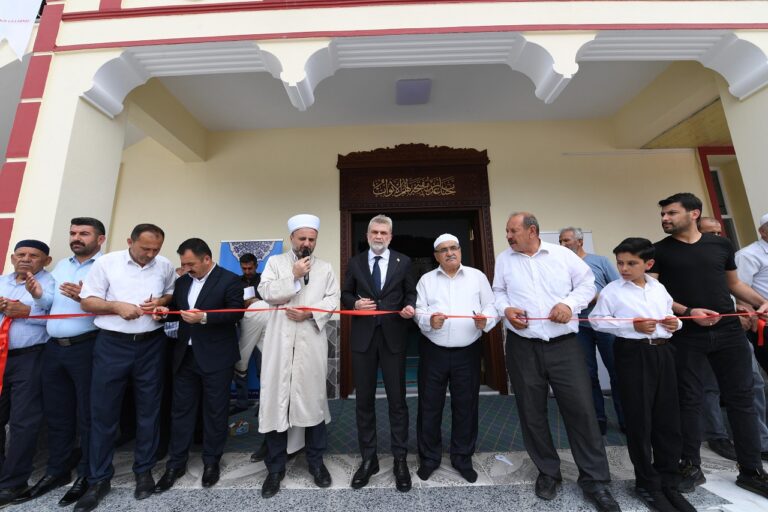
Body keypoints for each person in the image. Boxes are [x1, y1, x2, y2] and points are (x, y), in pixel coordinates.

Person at [493, 212, 619, 512]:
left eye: (513, 231)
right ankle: (548, 472)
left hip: (564, 346)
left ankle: (595, 480)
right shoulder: (504, 258)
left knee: (581, 410)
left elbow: (588, 286)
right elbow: (498, 293)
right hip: (523, 347)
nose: (508, 236)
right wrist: (506, 309)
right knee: (531, 412)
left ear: (532, 230)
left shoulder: (563, 255)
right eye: (507, 232)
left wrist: (569, 304)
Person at [650, 192, 768, 497]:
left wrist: (760, 301)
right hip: (687, 333)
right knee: (689, 401)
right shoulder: (658, 251)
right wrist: (689, 312)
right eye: (663, 214)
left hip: (729, 332)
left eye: (671, 213)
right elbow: (653, 294)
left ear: (693, 214)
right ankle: (690, 465)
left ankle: (751, 470)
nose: (664, 218)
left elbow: (734, 284)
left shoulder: (721, 244)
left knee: (742, 400)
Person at [74, 224, 176, 512]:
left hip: (151, 345)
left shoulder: (164, 265)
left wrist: (160, 304)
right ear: (130, 241)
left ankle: (143, 471)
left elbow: (169, 294)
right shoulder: (107, 263)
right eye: (145, 248)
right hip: (112, 345)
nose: (150, 254)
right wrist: (117, 306)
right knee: (103, 413)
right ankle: (98, 479)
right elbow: (87, 301)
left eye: (156, 249)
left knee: (149, 410)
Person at [590, 238, 695, 512]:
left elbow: (671, 313)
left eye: (631, 263)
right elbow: (596, 321)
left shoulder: (658, 287)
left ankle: (668, 481)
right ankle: (647, 483)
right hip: (632, 354)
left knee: (668, 419)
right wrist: (631, 324)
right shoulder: (612, 291)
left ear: (648, 264)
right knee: (640, 420)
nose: (623, 268)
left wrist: (676, 323)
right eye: (620, 262)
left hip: (664, 353)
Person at [18, 219, 105, 507]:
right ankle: (57, 470)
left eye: (84, 233)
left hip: (87, 347)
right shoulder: (63, 266)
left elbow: (111, 305)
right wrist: (39, 294)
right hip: (54, 349)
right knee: (57, 414)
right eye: (73, 233)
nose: (76, 238)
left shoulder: (106, 267)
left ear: (100, 239)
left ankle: (88, 476)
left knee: (88, 416)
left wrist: (85, 298)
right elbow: (51, 304)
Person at [257, 214, 340, 498]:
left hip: (310, 342)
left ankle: (316, 463)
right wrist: (292, 275)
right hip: (279, 344)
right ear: (291, 237)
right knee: (276, 402)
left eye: (312, 239)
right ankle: (275, 469)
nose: (307, 244)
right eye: (302, 238)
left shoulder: (326, 267)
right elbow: (266, 292)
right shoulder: (275, 263)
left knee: (313, 401)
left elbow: (333, 299)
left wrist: (310, 313)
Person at [153, 238, 244, 492]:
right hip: (185, 357)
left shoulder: (230, 279)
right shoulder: (182, 282)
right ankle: (176, 463)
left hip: (217, 357)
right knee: (181, 411)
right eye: (183, 264)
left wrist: (204, 317)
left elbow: (237, 312)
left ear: (207, 259)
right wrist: (161, 311)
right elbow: (173, 309)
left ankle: (211, 462)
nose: (186, 268)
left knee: (215, 411)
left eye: (190, 263)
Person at [340, 214, 417, 492]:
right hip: (363, 340)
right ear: (368, 235)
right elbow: (345, 294)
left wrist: (410, 307)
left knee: (398, 402)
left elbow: (411, 294)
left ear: (391, 237)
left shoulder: (403, 262)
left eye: (384, 232)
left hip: (394, 339)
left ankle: (399, 460)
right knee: (364, 402)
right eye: (374, 232)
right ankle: (369, 459)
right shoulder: (356, 262)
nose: (379, 236)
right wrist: (354, 304)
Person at [414, 234, 497, 483]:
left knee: (465, 406)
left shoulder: (477, 276)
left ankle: (462, 457)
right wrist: (429, 320)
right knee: (429, 406)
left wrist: (486, 320)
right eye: (443, 250)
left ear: (460, 251)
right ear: (436, 256)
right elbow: (419, 310)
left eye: (454, 248)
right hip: (433, 352)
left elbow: (492, 306)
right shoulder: (426, 280)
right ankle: (429, 458)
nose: (450, 253)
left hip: (467, 352)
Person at [697, 216, 768, 462]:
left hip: (733, 326)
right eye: (710, 233)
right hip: (701, 329)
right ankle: (717, 436)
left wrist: (745, 309)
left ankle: (760, 439)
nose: (716, 237)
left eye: (719, 232)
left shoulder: (725, 253)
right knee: (710, 386)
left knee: (754, 381)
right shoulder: (683, 257)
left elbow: (737, 286)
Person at [0, 240, 54, 506]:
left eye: (34, 256)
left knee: (23, 422)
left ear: (46, 260)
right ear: (12, 257)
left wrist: (27, 311)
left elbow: (58, 315)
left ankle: (14, 483)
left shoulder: (51, 283)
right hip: (1, 358)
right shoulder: (1, 281)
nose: (26, 259)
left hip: (30, 358)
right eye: (21, 254)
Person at [559, 226, 624, 435]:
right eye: (561, 241)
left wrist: (596, 295)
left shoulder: (600, 261)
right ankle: (598, 419)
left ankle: (625, 419)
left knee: (617, 372)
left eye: (567, 240)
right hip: (579, 327)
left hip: (606, 325)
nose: (563, 245)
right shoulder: (560, 266)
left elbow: (619, 287)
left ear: (580, 241)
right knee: (588, 375)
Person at [736, 212, 768, 373]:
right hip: (764, 320)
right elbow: (739, 288)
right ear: (762, 231)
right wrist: (749, 317)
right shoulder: (747, 255)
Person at [232, 253, 262, 416]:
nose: (247, 271)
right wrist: (246, 302)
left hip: (263, 329)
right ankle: (241, 402)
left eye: (250, 268)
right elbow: (233, 303)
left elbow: (274, 301)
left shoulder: (265, 280)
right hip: (241, 326)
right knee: (239, 365)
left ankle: (264, 405)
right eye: (244, 268)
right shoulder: (235, 282)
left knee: (262, 367)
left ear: (256, 266)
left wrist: (258, 301)